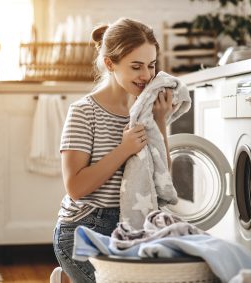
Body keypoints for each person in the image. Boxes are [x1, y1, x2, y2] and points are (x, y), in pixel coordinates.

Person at [51, 18, 174, 283]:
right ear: (110, 64)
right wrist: (124, 149)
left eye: (151, 66)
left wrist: (160, 121)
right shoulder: (84, 112)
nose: (147, 75)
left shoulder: (141, 111)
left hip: (128, 226)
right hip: (83, 229)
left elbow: (162, 177)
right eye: (136, 66)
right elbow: (75, 187)